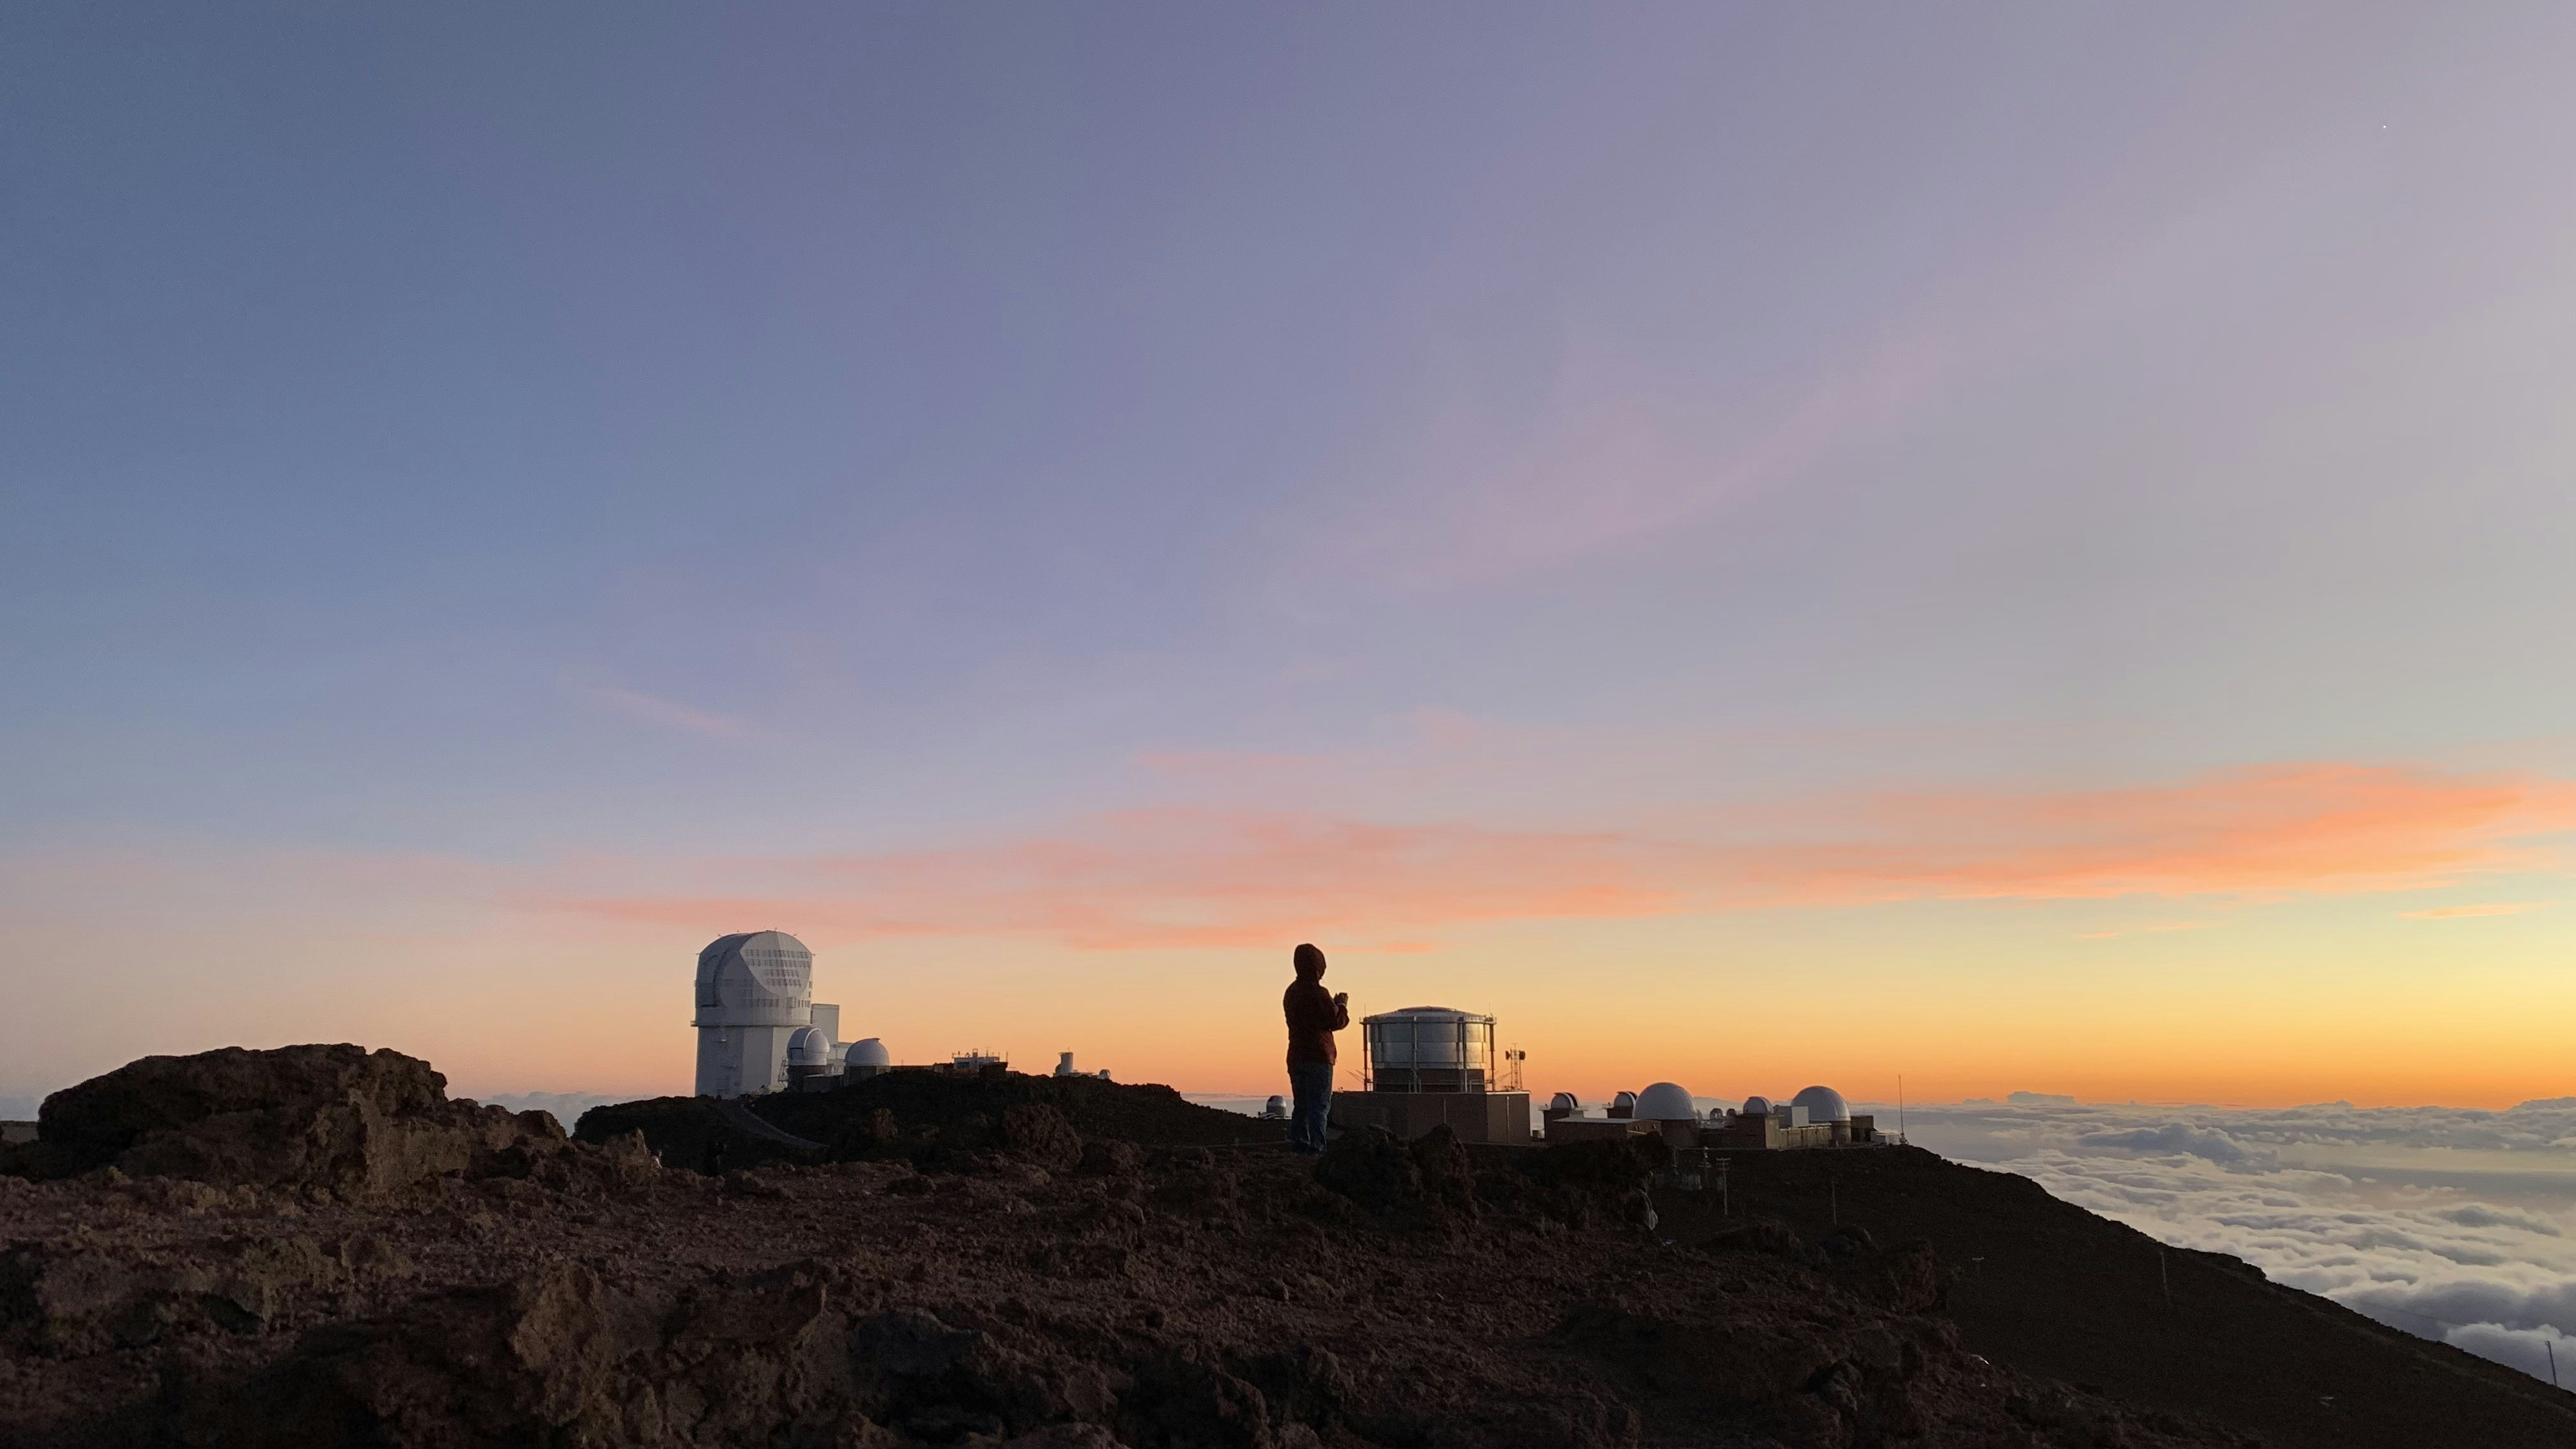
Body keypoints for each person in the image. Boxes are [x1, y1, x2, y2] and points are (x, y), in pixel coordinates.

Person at [1282, 942, 1349, 1154]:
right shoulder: (1319, 994)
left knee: (1301, 1103)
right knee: (1319, 1105)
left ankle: (1300, 1141)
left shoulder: (1291, 992)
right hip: (1319, 1056)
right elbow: (1335, 1021)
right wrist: (1342, 1005)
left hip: (1296, 1055)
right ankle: (1317, 1146)